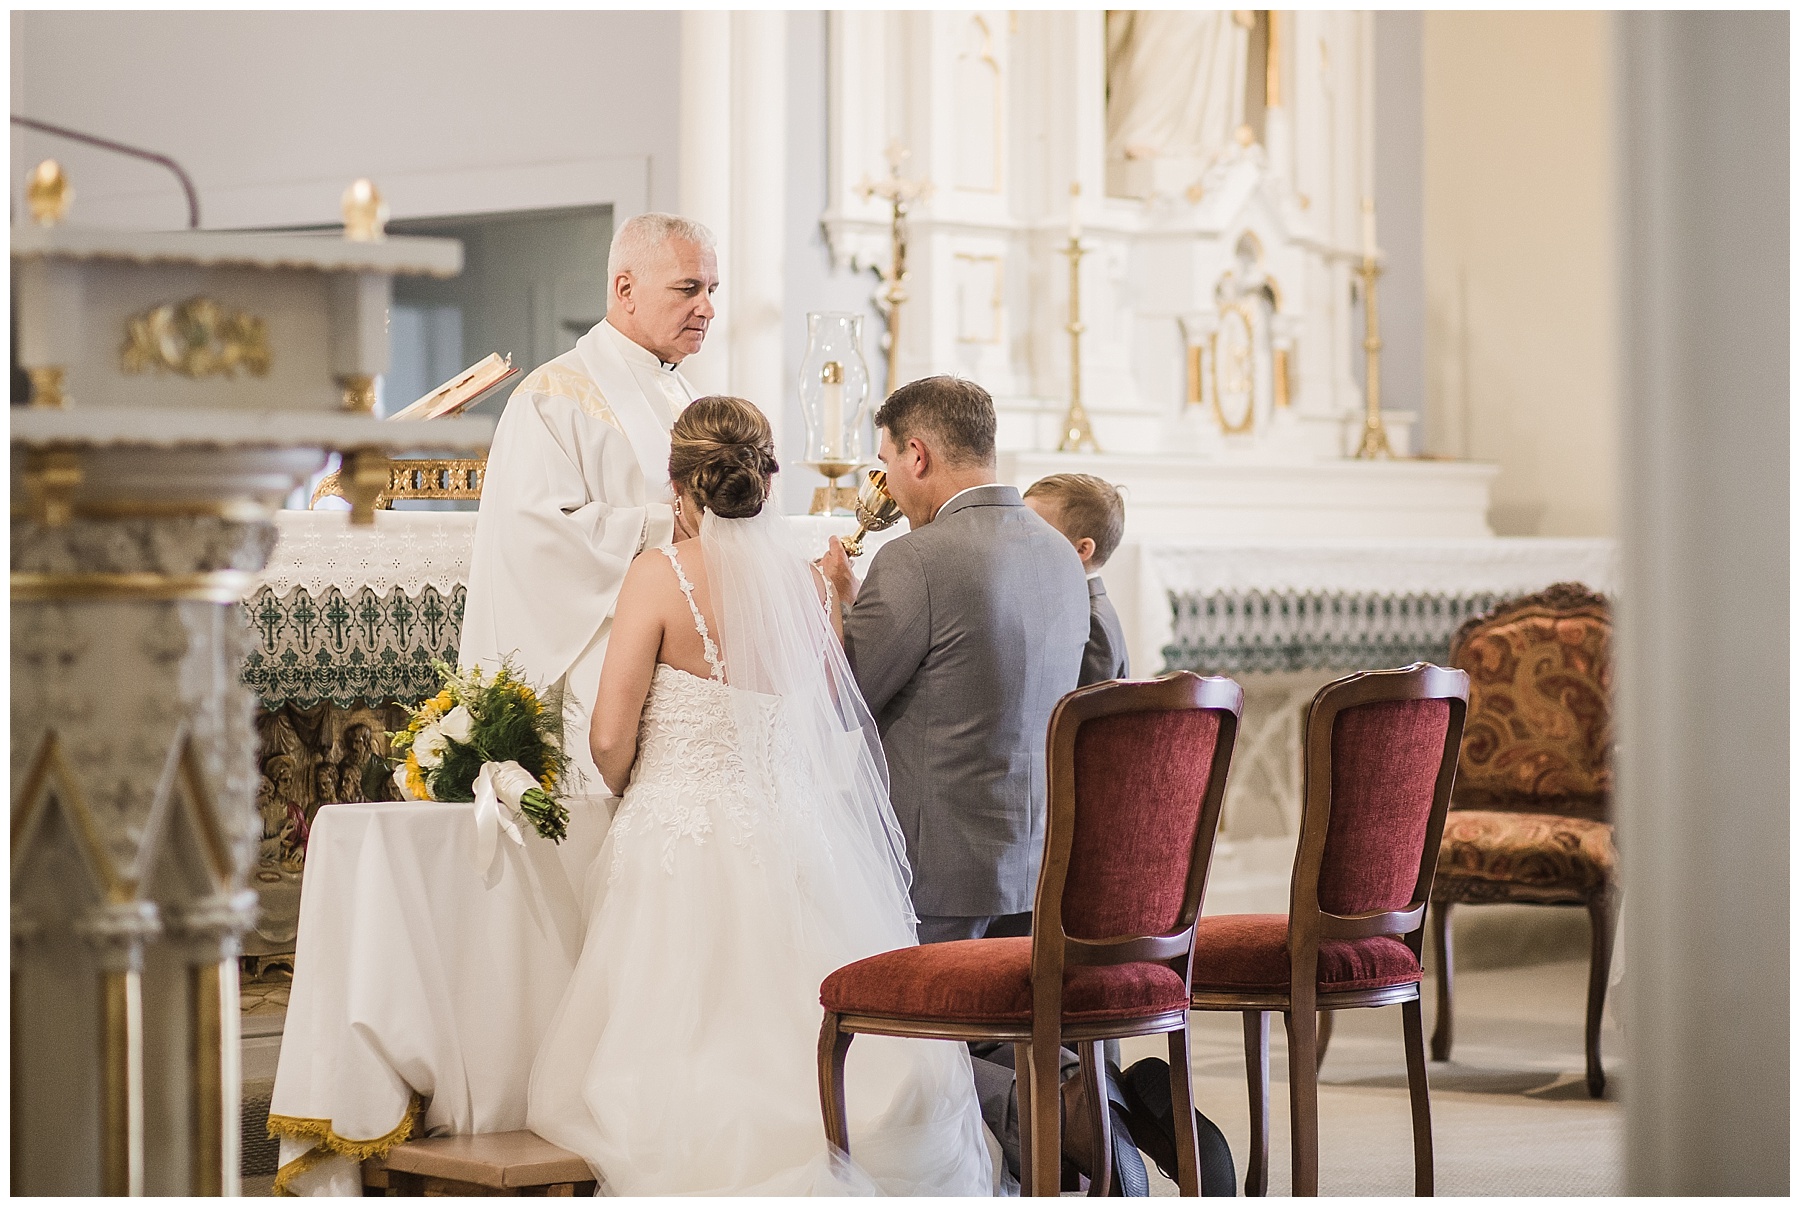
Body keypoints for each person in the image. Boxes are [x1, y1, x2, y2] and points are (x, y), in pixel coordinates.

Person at [526, 397, 992, 1196]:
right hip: (797, 833)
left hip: (680, 838)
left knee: (679, 1059)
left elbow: (609, 737)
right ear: (767, 482)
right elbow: (820, 715)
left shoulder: (659, 575)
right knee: (811, 1023)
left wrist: (631, 793)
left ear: (678, 487)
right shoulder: (809, 588)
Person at [819, 376, 1145, 1195]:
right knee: (1002, 1026)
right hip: (1035, 859)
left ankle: (1061, 1107)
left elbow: (844, 693)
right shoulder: (1062, 558)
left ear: (917, 453)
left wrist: (831, 611)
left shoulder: (915, 560)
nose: (886, 480)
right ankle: (1086, 1098)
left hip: (934, 866)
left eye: (887, 460)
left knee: (911, 1031)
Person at [459, 211, 717, 822]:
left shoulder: (683, 393)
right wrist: (664, 527)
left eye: (712, 290)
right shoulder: (552, 397)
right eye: (688, 289)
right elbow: (536, 536)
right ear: (625, 289)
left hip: (681, 677)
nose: (706, 307)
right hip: (596, 668)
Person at [1023, 472, 1130, 685]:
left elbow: (1085, 710)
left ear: (1082, 549)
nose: (1020, 539)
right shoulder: (1074, 605)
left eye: (1034, 532)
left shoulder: (1091, 621)